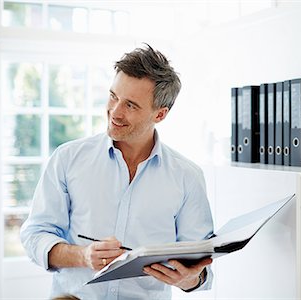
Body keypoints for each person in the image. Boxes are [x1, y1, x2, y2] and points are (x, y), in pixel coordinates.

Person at [20, 44, 214, 299]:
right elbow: (35, 235)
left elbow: (201, 269)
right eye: (113, 96)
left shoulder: (187, 177)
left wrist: (190, 279)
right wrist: (83, 256)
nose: (115, 112)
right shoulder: (68, 159)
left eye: (131, 105)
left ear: (161, 114)